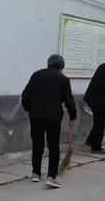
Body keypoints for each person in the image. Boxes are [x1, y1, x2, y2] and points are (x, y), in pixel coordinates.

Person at [21, 54, 76, 189]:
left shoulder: (37, 75)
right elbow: (69, 101)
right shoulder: (63, 79)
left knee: (37, 144)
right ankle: (51, 177)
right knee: (53, 147)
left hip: (36, 116)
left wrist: (28, 109)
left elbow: (26, 94)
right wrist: (72, 116)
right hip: (53, 117)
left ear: (49, 64)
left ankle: (35, 173)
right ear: (61, 66)